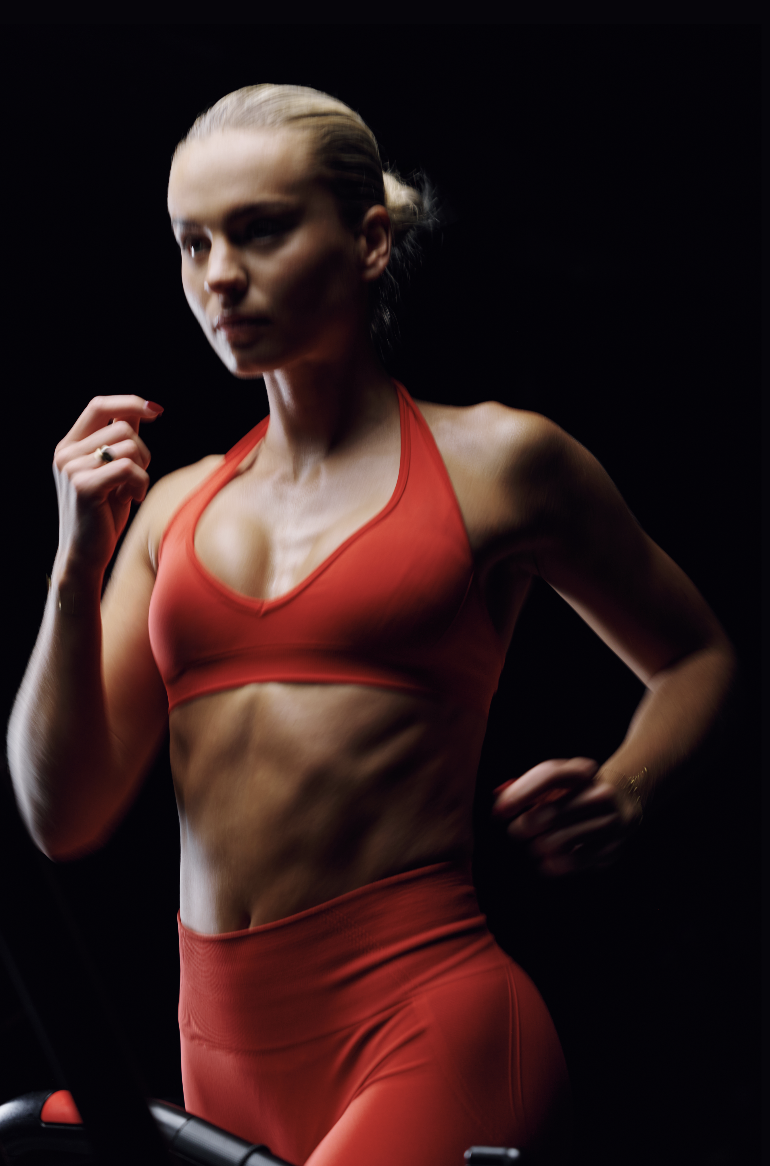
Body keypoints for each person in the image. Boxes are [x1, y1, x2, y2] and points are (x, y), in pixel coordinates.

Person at [6, 84, 736, 1166]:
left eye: (258, 230)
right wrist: (76, 563)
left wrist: (627, 786)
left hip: (429, 1020)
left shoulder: (499, 463)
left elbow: (698, 655)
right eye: (191, 240)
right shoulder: (169, 511)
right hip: (218, 1053)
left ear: (368, 240)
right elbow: (58, 815)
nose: (218, 277)